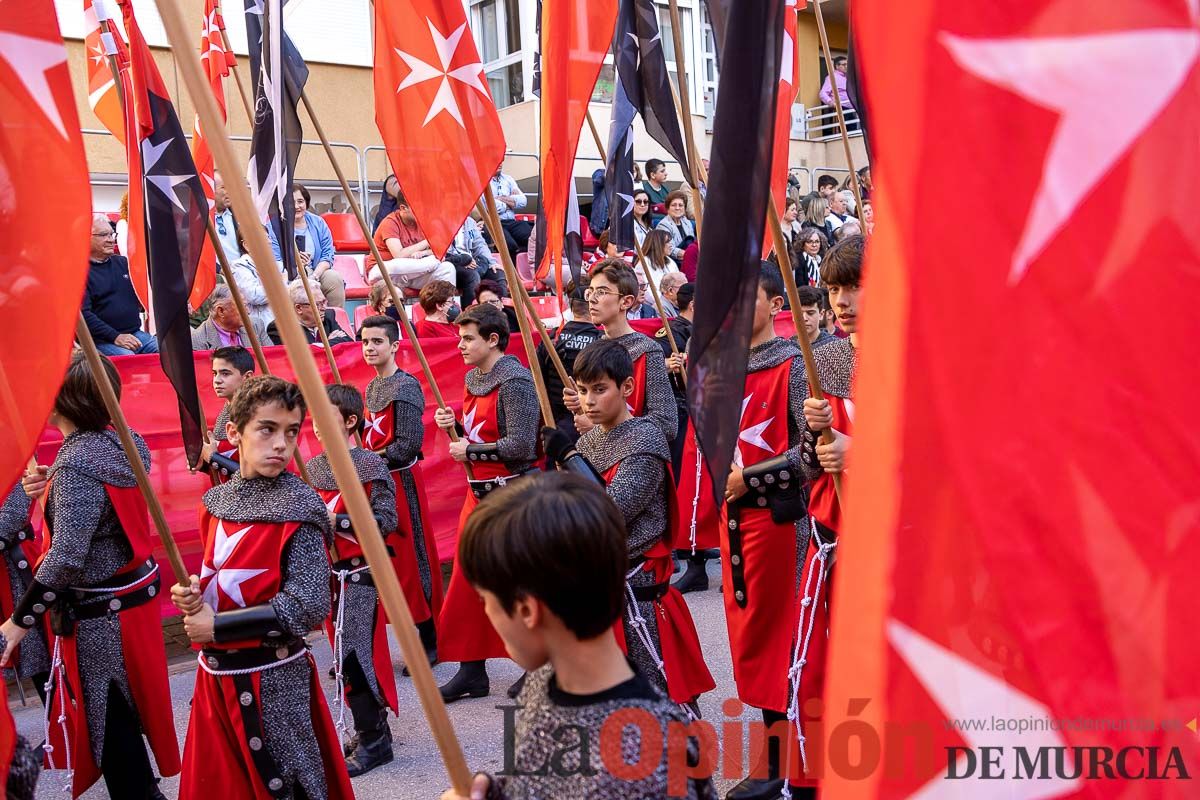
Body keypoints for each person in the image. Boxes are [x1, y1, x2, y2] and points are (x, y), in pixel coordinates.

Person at [438, 473, 716, 800]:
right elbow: (539, 783)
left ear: (527, 611)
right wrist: (494, 792)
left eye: (486, 601)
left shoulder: (642, 759)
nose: (485, 614)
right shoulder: (545, 682)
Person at [6, 352, 180, 799]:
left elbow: (65, 557)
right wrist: (55, 492)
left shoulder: (75, 465)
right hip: (127, 602)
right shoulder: (125, 441)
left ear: (62, 403)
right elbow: (99, 515)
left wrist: (17, 623)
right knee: (124, 709)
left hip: (100, 614)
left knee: (111, 718)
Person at [171, 375, 354, 799]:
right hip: (216, 677)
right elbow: (220, 573)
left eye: (291, 432)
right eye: (267, 429)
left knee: (287, 782)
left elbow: (308, 605)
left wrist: (216, 627)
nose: (280, 445)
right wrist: (194, 596)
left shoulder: (300, 508)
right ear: (234, 433)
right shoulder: (216, 503)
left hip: (273, 674)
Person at [557, 340, 714, 710]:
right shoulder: (591, 438)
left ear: (626, 387)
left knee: (658, 686)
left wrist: (569, 460)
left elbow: (608, 510)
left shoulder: (644, 439)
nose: (589, 401)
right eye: (582, 391)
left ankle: (688, 760)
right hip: (602, 578)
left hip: (637, 583)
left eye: (599, 389)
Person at [719, 263, 816, 800]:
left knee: (781, 638)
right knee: (750, 638)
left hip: (779, 522)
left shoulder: (793, 364)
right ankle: (773, 753)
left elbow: (808, 455)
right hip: (734, 520)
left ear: (775, 305)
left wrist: (748, 477)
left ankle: (785, 762)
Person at [434, 304, 539, 702]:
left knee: (516, 584)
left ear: (493, 339)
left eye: (467, 338)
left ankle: (538, 666)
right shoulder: (473, 378)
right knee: (466, 581)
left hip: (510, 496)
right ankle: (471, 668)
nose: (460, 345)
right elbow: (478, 436)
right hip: (475, 494)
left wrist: (470, 451)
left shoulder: (514, 381)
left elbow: (521, 445)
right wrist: (455, 430)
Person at [308, 383, 400, 777]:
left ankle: (375, 742)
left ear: (348, 421)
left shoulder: (370, 466)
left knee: (355, 657)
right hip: (330, 575)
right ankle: (367, 730)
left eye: (324, 415)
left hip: (361, 574)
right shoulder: (312, 467)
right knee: (343, 656)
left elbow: (387, 521)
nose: (314, 424)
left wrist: (339, 522)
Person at [360, 314, 443, 665]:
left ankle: (430, 638)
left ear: (394, 345)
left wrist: (365, 461)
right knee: (382, 562)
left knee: (410, 559)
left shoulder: (405, 386)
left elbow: (407, 444)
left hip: (400, 482)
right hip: (376, 481)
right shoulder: (372, 387)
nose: (369, 348)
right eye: (365, 342)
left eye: (377, 341)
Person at [564, 260, 677, 442]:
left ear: (626, 301)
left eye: (601, 292)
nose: (592, 299)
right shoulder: (594, 348)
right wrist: (581, 403)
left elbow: (666, 424)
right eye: (590, 291)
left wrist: (602, 427)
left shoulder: (647, 351)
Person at [0, 485, 50, 705]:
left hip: (16, 572)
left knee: (39, 655)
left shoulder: (15, 453)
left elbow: (13, 515)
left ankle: (62, 729)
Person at [83, 214, 158, 357]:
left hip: (134, 334)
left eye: (112, 234)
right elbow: (83, 315)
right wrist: (115, 336)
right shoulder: (80, 273)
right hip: (100, 340)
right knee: (128, 358)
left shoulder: (123, 263)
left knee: (169, 353)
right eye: (104, 235)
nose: (111, 240)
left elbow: (144, 293)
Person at [536, 283, 602, 442]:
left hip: (556, 422)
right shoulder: (601, 341)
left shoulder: (552, 338)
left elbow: (537, 376)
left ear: (570, 306)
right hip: (592, 421)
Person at [364, 188, 457, 289]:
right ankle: (433, 263)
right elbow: (399, 255)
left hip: (412, 273)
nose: (424, 211)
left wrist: (424, 253)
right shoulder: (390, 222)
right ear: (403, 208)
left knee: (448, 268)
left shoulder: (424, 222)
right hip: (384, 272)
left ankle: (444, 303)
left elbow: (438, 251)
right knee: (399, 264)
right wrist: (428, 241)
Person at [270, 184, 346, 308]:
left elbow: (327, 255)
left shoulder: (318, 222)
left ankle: (334, 319)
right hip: (288, 274)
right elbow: (275, 260)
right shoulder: (273, 227)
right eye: (290, 202)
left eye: (300, 201)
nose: (296, 207)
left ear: (306, 202)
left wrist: (314, 276)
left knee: (334, 278)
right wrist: (295, 265)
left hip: (315, 272)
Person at [198, 345, 256, 484]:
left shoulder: (256, 415)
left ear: (247, 377)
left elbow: (257, 475)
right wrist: (204, 463)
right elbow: (231, 460)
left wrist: (213, 457)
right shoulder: (228, 411)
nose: (217, 380)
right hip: (229, 497)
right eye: (214, 373)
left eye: (225, 373)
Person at [266, 279, 354, 346]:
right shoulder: (279, 327)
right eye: (318, 304)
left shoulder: (328, 316)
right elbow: (304, 355)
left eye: (324, 302)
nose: (324, 308)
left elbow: (348, 342)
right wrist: (327, 343)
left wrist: (321, 345)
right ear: (299, 308)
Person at [191, 284, 273, 350]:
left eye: (246, 305)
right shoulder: (198, 341)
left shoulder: (256, 325)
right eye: (243, 306)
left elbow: (272, 359)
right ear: (221, 311)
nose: (248, 311)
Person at [453, 217, 506, 303]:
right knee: (472, 275)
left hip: (472, 261)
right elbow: (444, 251)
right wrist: (463, 260)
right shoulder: (441, 221)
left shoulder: (469, 222)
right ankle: (471, 312)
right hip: (454, 263)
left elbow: (479, 245)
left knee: (497, 272)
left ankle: (501, 308)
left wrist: (492, 263)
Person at [488, 165, 531, 257]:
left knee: (531, 237)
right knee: (510, 245)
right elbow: (491, 206)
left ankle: (524, 264)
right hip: (494, 222)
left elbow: (523, 201)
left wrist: (500, 198)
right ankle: (511, 269)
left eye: (501, 161)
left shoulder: (508, 179)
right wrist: (511, 201)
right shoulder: (482, 181)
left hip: (511, 221)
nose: (500, 164)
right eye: (496, 161)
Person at [655, 191, 696, 266]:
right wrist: (690, 255)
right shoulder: (663, 225)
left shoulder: (687, 222)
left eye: (680, 205)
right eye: (674, 205)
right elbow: (670, 250)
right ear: (667, 208)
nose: (677, 208)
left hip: (689, 259)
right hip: (674, 262)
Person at [212, 171, 240, 264]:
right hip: (217, 274)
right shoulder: (199, 220)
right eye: (223, 187)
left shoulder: (239, 216)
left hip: (242, 271)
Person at [797, 285, 837, 349]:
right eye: (799, 313)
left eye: (810, 313)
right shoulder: (788, 347)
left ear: (821, 314)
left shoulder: (834, 346)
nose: (804, 318)